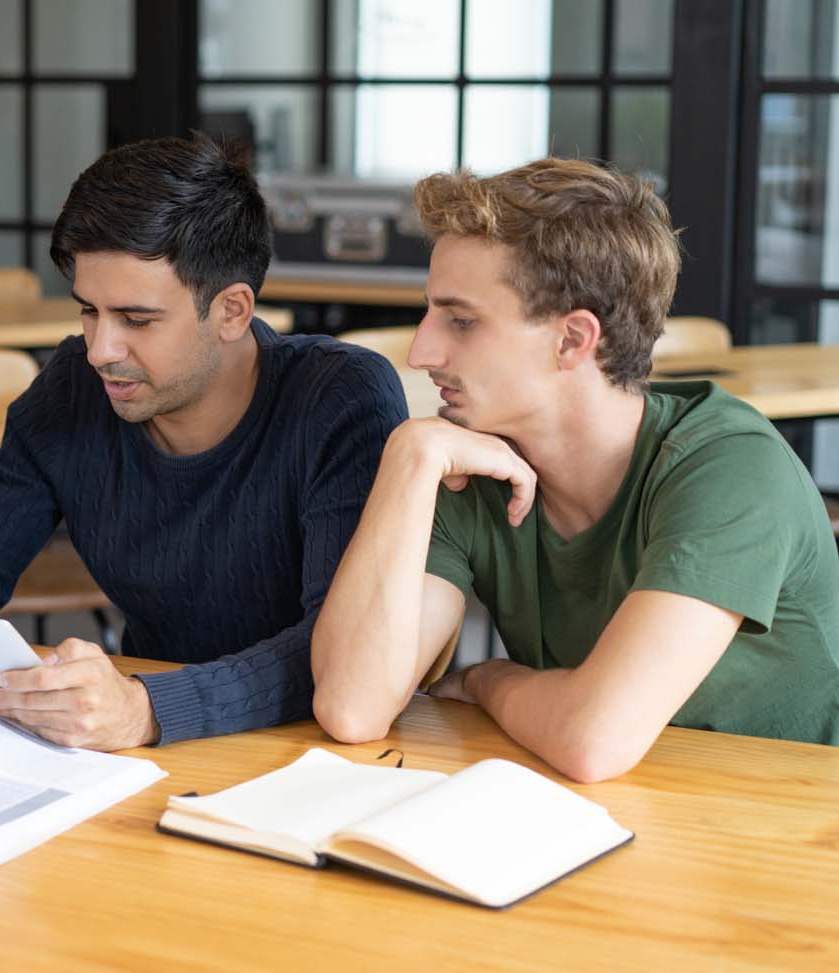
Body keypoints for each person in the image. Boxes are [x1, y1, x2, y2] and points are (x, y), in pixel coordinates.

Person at [310, 158, 839, 781]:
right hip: (624, 816)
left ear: (572, 339)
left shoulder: (730, 468)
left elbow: (594, 740)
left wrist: (492, 679)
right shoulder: (470, 462)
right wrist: (407, 457)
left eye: (461, 320)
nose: (423, 351)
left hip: (793, 832)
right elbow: (352, 707)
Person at [0, 134, 407, 751]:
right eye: (88, 311)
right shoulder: (73, 387)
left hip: (317, 746)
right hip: (138, 737)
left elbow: (335, 646)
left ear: (232, 311)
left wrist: (147, 711)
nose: (100, 350)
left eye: (136, 321)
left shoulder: (339, 397)